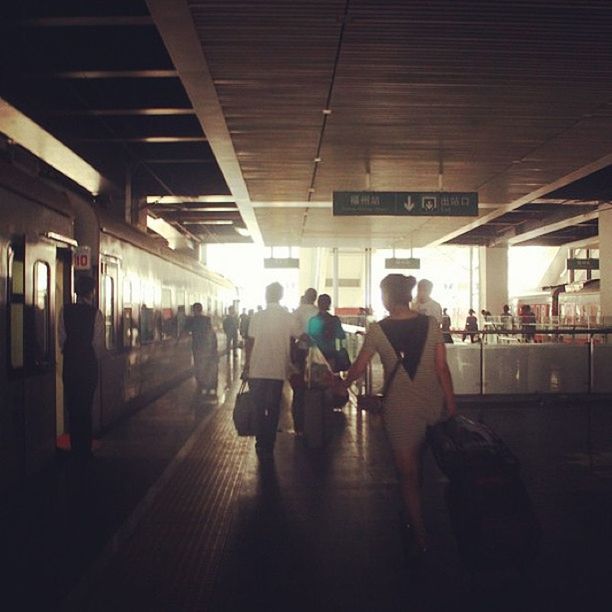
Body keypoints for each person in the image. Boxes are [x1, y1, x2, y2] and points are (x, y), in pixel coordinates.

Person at [340, 274, 456, 559]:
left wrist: (341, 383)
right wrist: (450, 404)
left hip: (400, 409)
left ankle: (418, 533)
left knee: (407, 473)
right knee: (423, 465)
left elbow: (359, 366)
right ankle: (422, 515)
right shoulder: (431, 324)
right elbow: (442, 368)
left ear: (387, 297)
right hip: (432, 402)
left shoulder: (377, 330)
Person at [244, 282, 302, 455]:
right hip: (277, 370)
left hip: (257, 369)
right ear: (281, 296)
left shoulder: (257, 316)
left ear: (266, 295)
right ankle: (270, 441)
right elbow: (301, 335)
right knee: (274, 406)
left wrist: (247, 365)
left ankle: (261, 441)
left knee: (258, 406)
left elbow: (250, 342)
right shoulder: (288, 316)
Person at [59, 275, 104, 462]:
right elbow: (98, 345)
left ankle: (75, 447)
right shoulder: (96, 313)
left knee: (72, 407)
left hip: (70, 365)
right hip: (88, 366)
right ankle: (85, 451)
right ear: (91, 291)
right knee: (85, 408)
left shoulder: (64, 311)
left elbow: (62, 340)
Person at [291, 288, 319, 435]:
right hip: (318, 355)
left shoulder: (296, 312)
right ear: (315, 298)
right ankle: (314, 423)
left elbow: (292, 334)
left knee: (299, 389)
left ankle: (299, 426)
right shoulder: (318, 312)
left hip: (301, 354)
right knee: (316, 387)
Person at [308, 293, 347, 373]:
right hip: (331, 354)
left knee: (317, 379)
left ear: (318, 304)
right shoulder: (334, 320)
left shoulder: (313, 321)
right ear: (329, 304)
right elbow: (341, 336)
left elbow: (310, 337)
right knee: (330, 378)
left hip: (316, 355)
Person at [185, 302, 218, 396]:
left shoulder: (191, 320)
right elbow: (211, 333)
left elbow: (186, 330)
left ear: (194, 310)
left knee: (199, 366)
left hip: (197, 347)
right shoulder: (207, 319)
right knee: (207, 366)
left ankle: (201, 386)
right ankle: (209, 387)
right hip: (207, 347)